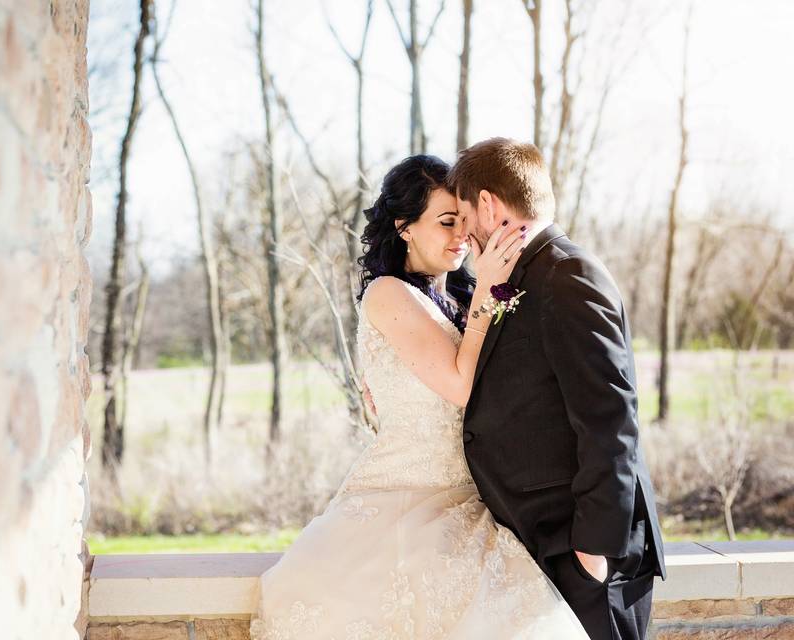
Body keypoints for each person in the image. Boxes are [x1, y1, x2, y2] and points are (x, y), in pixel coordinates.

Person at [249, 154, 589, 640]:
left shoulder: (461, 297)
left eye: (465, 222)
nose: (461, 236)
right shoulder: (388, 293)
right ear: (404, 226)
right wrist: (489, 296)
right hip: (407, 498)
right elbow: (458, 384)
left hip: (477, 497)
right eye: (446, 221)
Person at [450, 137, 666, 640]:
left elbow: (610, 420)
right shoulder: (519, 276)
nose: (464, 233)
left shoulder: (568, 274)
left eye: (463, 215)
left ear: (488, 204)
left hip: (584, 550)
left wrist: (592, 551)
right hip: (545, 542)